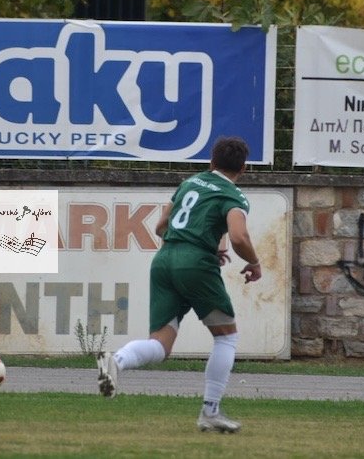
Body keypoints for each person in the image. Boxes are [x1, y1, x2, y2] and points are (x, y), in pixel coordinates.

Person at [96, 135, 261, 433]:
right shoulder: (234, 196)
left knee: (160, 344)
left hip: (164, 260)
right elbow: (238, 237)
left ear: (211, 161)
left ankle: (116, 360)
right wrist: (254, 262)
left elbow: (161, 226)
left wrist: (193, 243)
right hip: (195, 264)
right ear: (243, 168)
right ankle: (210, 412)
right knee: (226, 337)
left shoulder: (190, 184)